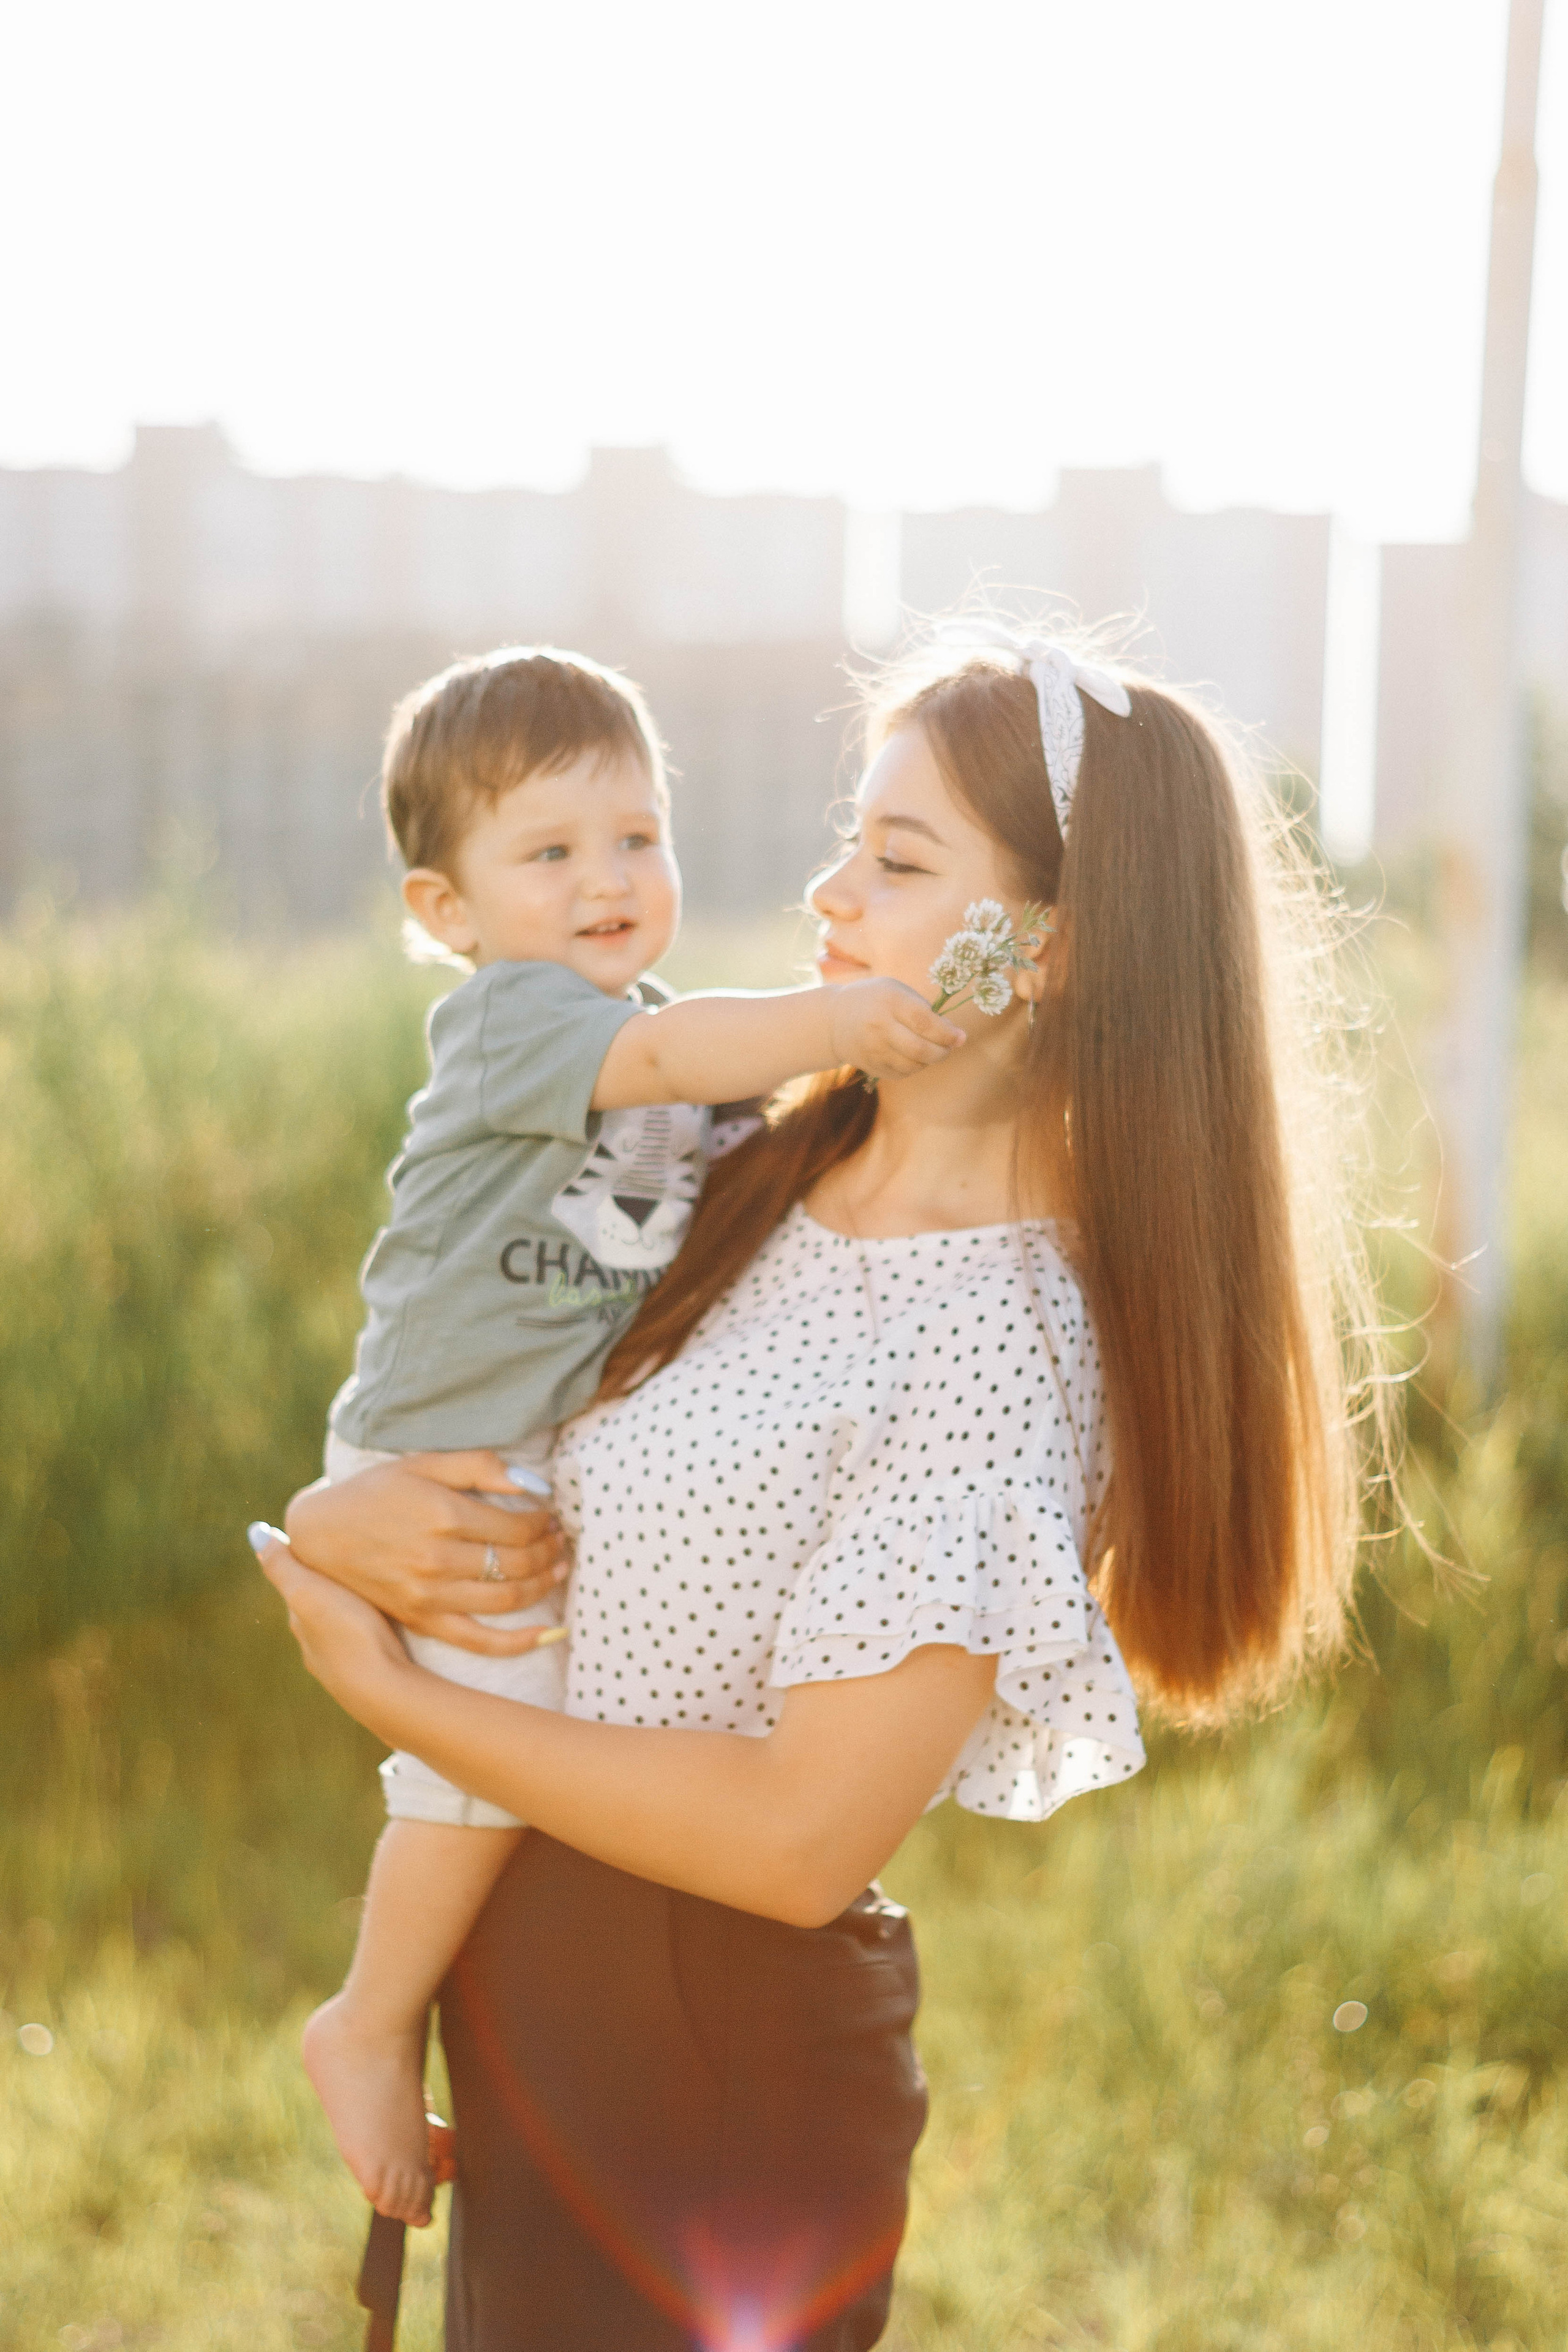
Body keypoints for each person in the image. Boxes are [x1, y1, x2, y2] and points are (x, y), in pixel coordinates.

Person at [254, 617, 1389, 2352]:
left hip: (710, 2073)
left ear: (1044, 949)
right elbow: (482, 1382)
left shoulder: (1004, 1334)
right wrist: (336, 1526)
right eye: (851, 839)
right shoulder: (743, 1160)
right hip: (534, 1999)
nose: (829, 891)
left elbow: (799, 1844)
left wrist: (383, 1684)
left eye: (899, 855)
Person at [300, 644, 965, 2228]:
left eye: (636, 838)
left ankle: (406, 2006)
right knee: (484, 1751)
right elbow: (680, 1064)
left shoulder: (654, 1034)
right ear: (445, 914)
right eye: (548, 853)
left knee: (513, 1717)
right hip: (442, 1450)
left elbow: (716, 1133)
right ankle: (369, 2019)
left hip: (514, 1454)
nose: (608, 879)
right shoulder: (517, 1023)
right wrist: (847, 1017)